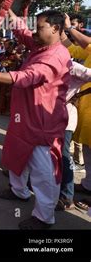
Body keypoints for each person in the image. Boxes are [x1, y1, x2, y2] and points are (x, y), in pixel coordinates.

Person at [0, 10, 70, 229]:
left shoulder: (55, 55)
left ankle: (44, 217)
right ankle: (19, 191)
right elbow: (22, 31)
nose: (35, 32)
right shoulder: (40, 45)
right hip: (23, 118)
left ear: (55, 29)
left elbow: (25, 78)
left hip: (42, 123)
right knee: (16, 156)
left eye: (41, 27)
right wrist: (8, 11)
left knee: (44, 173)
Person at [60, 13, 91, 211]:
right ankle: (88, 186)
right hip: (86, 108)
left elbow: (86, 42)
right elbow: (69, 48)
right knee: (88, 150)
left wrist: (70, 27)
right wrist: (61, 31)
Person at [56, 61, 91, 211]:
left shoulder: (71, 65)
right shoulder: (47, 59)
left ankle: (67, 196)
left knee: (64, 155)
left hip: (66, 119)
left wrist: (77, 95)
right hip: (49, 118)